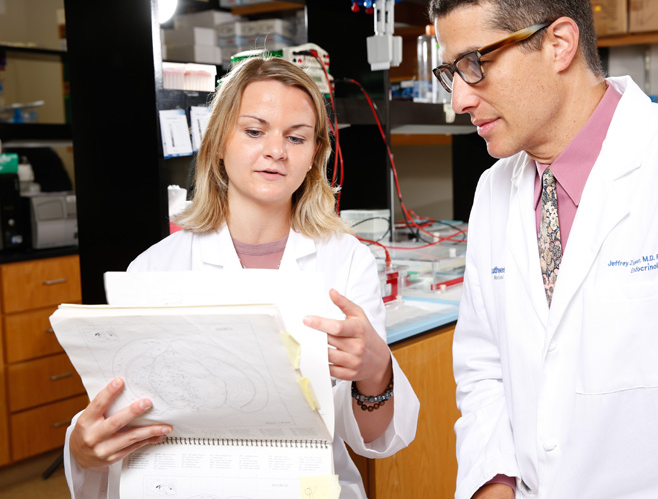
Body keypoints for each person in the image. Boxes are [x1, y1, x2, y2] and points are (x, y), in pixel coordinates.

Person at [429, 0, 658, 498]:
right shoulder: (494, 190)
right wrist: (492, 483)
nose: (460, 100)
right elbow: (483, 368)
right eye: (452, 72)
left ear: (559, 44)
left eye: (475, 64)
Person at [63, 56, 419, 499]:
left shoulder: (346, 262)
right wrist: (83, 448)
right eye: (254, 131)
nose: (276, 150)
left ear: (313, 157)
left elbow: (371, 437)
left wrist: (375, 373)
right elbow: (119, 419)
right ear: (217, 143)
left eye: (297, 137)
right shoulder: (153, 270)